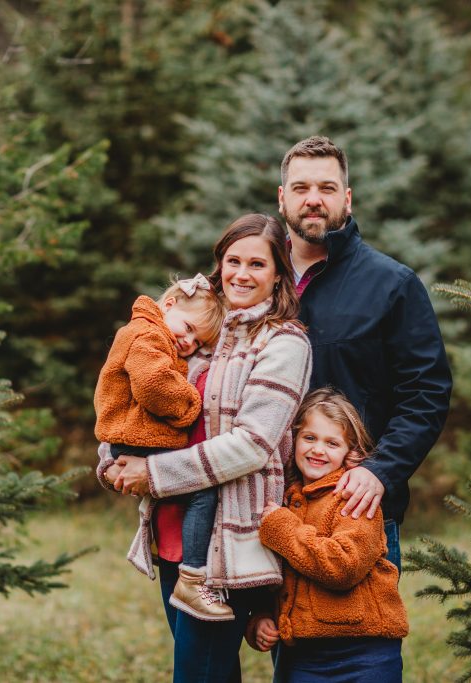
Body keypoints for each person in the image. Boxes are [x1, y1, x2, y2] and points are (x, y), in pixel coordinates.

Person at [98, 213, 312, 682]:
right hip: (174, 535)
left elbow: (251, 446)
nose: (241, 273)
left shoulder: (283, 343)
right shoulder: (200, 332)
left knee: (199, 675)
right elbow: (137, 395)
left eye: (257, 264)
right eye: (233, 260)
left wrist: (151, 474)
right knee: (206, 672)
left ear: (280, 273)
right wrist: (113, 459)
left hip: (228, 544)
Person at [277, 136, 452, 569]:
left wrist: (380, 470)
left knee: (363, 633)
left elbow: (427, 392)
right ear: (282, 199)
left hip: (355, 509)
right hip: (270, 507)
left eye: (327, 188)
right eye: (300, 188)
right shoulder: (252, 276)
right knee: (280, 635)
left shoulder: (391, 284)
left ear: (347, 199)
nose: (313, 200)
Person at [246, 387, 408, 683]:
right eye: (309, 438)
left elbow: (343, 566)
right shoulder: (282, 501)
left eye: (332, 443)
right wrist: (259, 616)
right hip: (303, 656)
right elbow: (270, 571)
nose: (318, 449)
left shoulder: (354, 497)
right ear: (292, 440)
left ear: (352, 452)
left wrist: (283, 527)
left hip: (364, 652)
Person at [92, 273, 228, 619]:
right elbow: (154, 385)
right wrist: (190, 405)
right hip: (134, 440)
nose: (188, 341)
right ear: (168, 305)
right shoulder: (146, 335)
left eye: (197, 340)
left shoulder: (150, 334)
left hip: (131, 439)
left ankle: (190, 576)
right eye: (187, 328)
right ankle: (193, 578)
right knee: (202, 491)